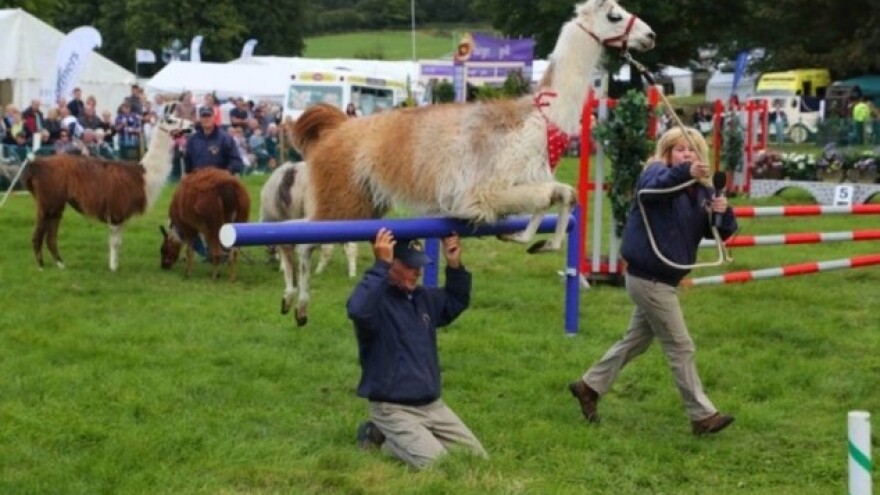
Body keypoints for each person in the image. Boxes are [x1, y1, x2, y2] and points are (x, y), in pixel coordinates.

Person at [569, 126, 738, 436]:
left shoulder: (701, 190)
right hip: (649, 278)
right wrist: (685, 173)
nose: (687, 154)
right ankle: (702, 416)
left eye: (692, 150)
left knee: (636, 340)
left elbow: (719, 232)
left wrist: (722, 212)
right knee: (680, 345)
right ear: (667, 153)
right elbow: (653, 191)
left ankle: (589, 386)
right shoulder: (655, 174)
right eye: (680, 149)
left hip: (663, 278)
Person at [348, 229, 487, 469]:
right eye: (410, 266)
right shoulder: (375, 303)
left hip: (433, 406)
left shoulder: (423, 298)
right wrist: (380, 266)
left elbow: (455, 301)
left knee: (477, 461)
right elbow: (357, 310)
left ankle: (387, 435)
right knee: (441, 467)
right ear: (391, 262)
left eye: (419, 265)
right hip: (393, 408)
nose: (417, 272)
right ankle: (386, 440)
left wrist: (454, 265)